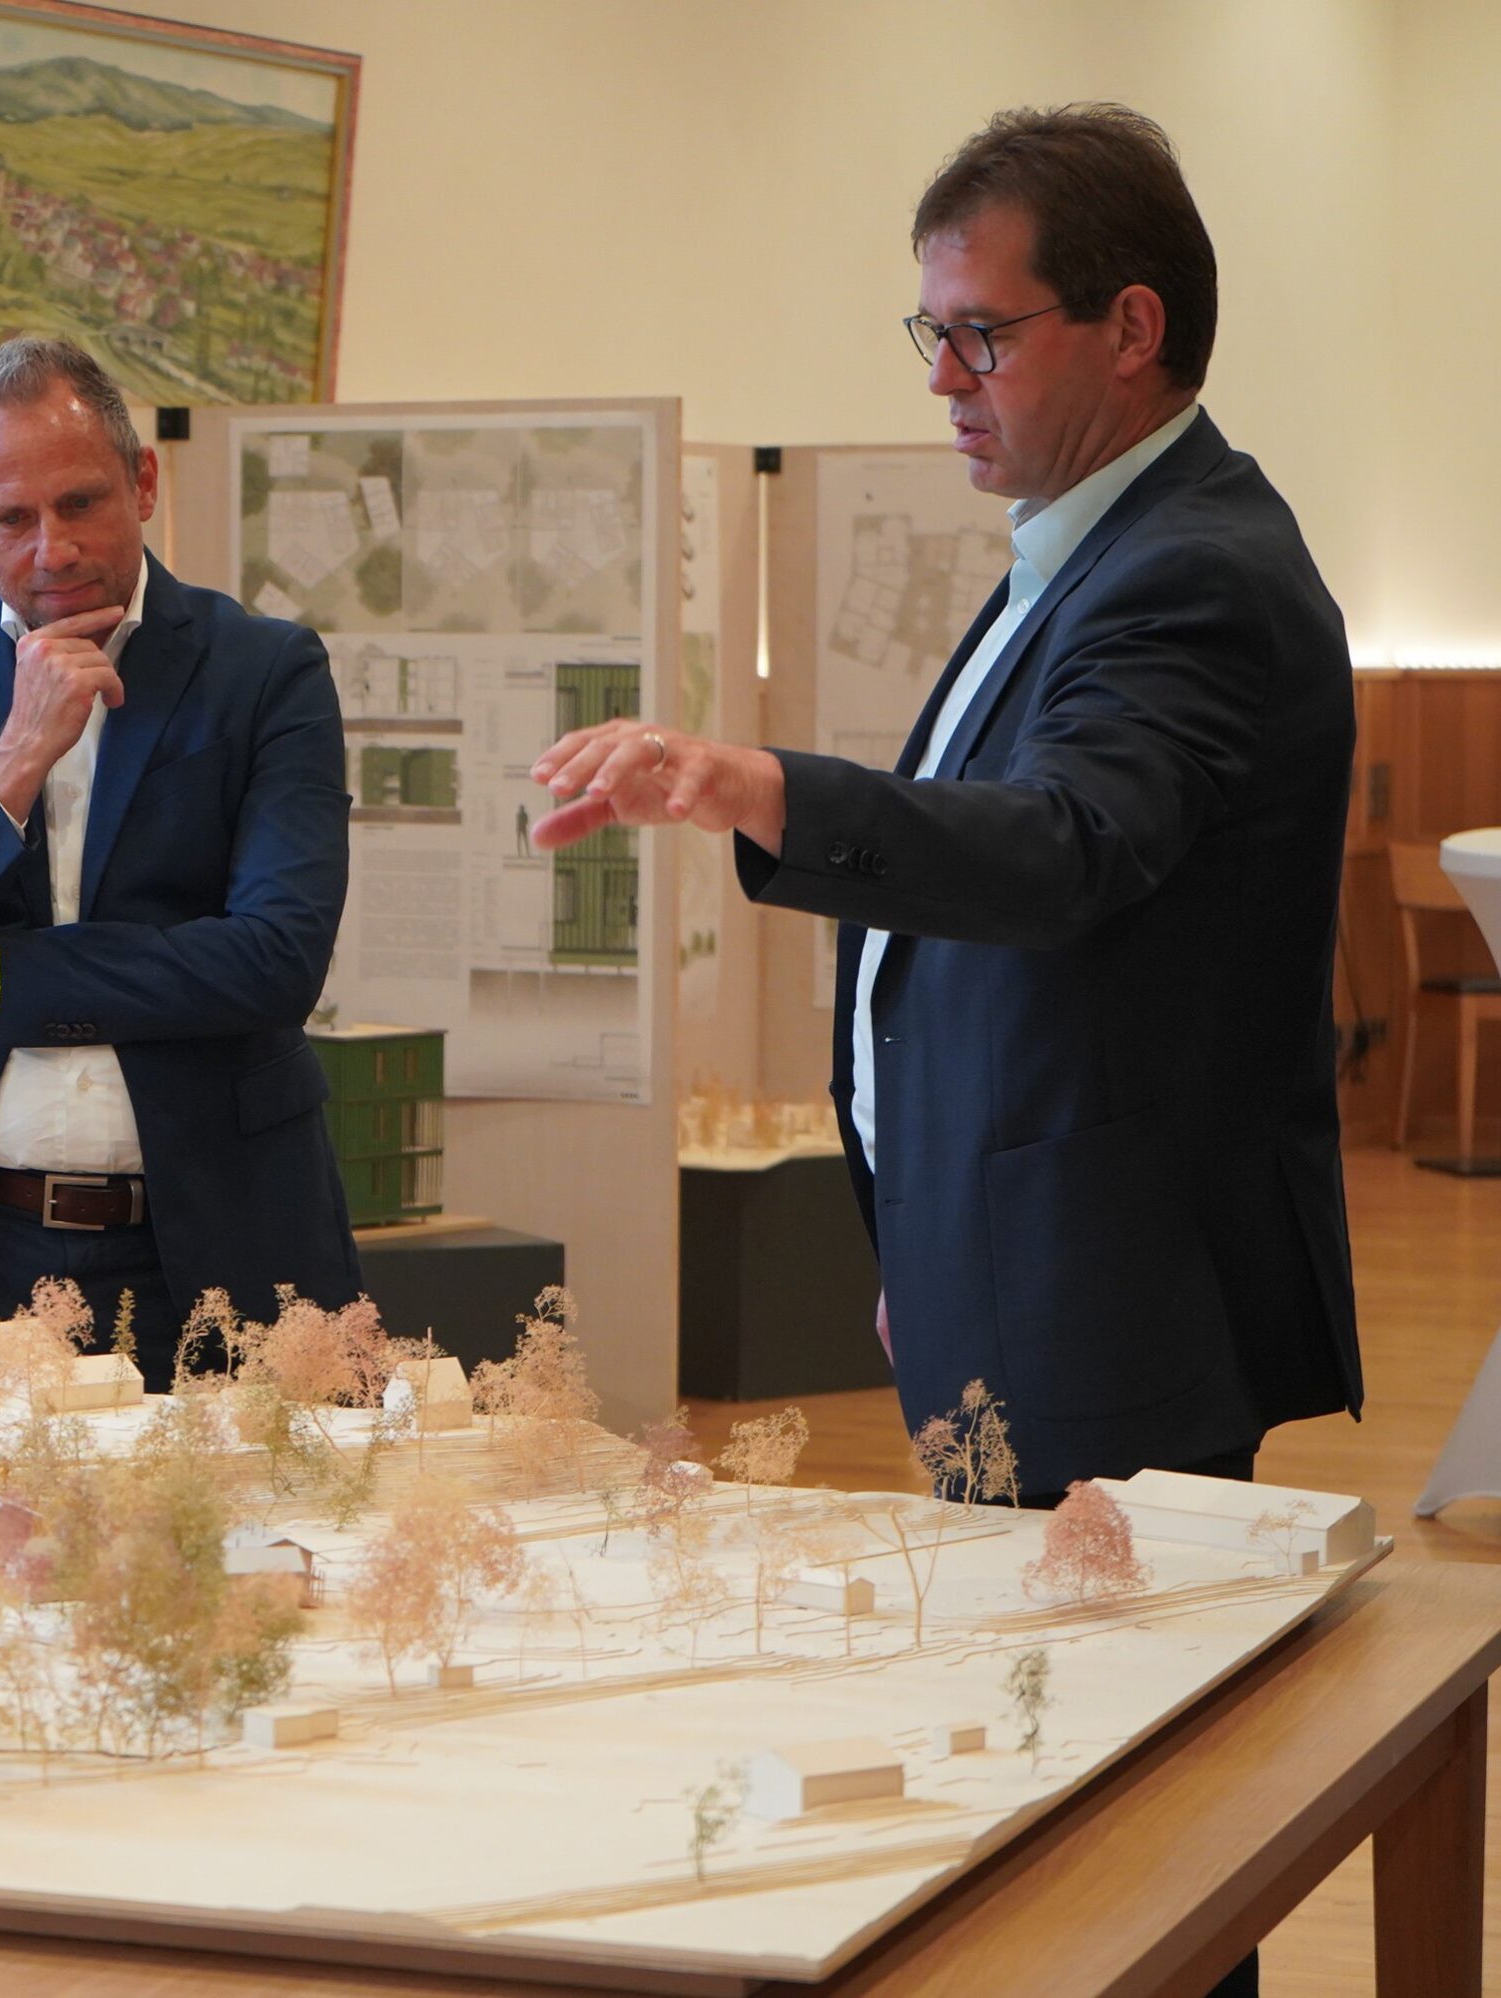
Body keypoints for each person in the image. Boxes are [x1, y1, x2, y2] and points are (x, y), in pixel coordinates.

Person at [536, 108, 1361, 1503]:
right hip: (1015, 1261)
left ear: (1131, 326)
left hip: (1110, 1291)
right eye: (935, 336)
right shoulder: (1090, 548)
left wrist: (758, 786)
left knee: (1106, 1705)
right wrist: (933, 1245)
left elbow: (1061, 850)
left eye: (983, 333)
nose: (948, 384)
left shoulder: (1195, 571)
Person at [0, 336, 359, 1389]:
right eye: (11, 519)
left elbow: (274, 961)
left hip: (208, 1242)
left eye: (81, 503)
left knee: (214, 1548)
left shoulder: (266, 674)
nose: (51, 549)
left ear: (142, 483)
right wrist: (12, 762)